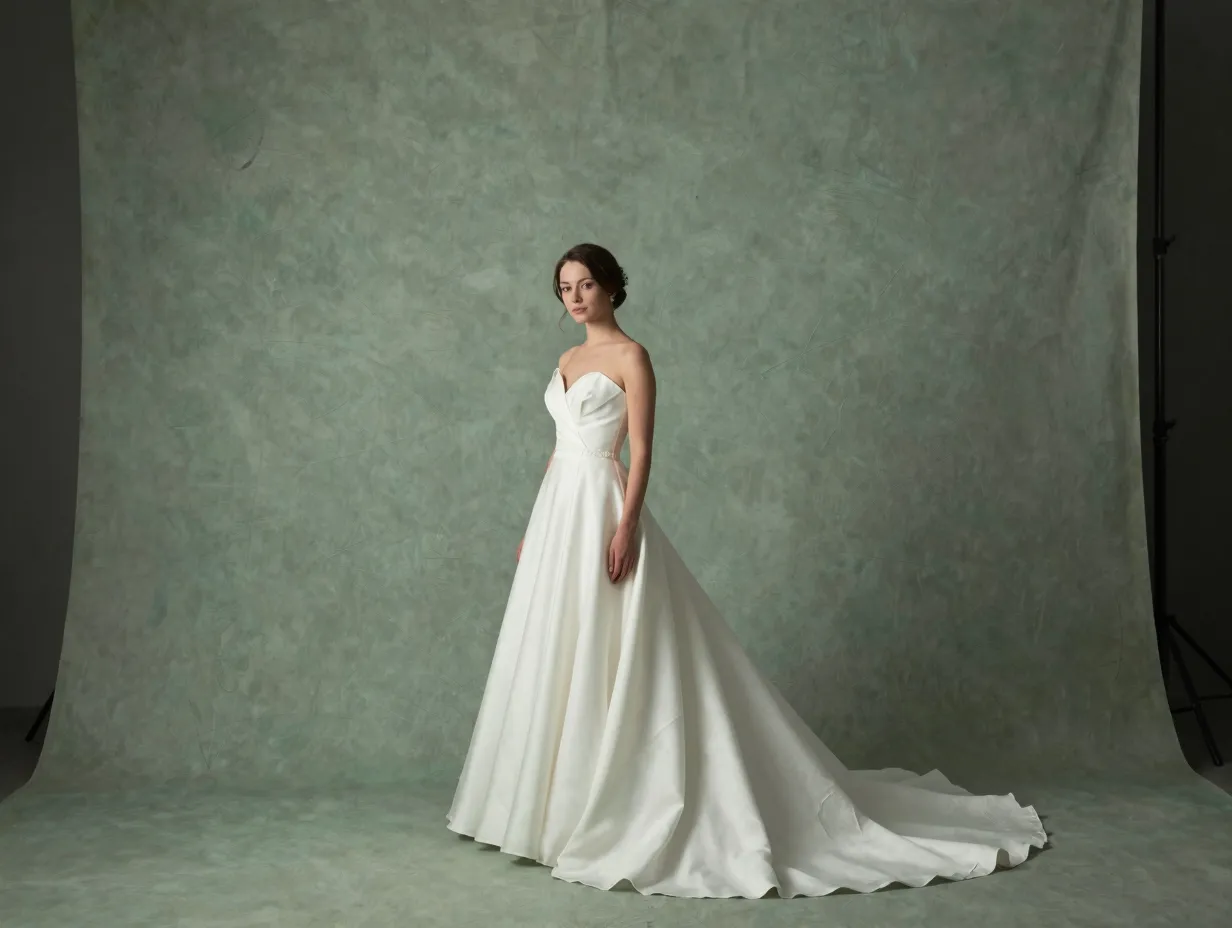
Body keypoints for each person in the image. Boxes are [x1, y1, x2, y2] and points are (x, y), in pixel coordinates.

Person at [446, 243, 1046, 898]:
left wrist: (627, 526)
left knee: (608, 641)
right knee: (556, 645)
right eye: (565, 287)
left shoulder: (631, 357)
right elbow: (560, 449)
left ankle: (610, 806)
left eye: (587, 284)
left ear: (613, 288)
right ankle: (548, 808)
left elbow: (641, 450)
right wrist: (536, 531)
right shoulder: (565, 361)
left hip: (604, 507)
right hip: (559, 510)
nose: (575, 297)